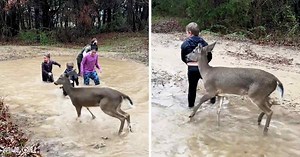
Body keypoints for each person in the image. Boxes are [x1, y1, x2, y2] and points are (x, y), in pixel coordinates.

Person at [181, 22, 216, 108]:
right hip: (203, 69)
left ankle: (191, 107)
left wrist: (188, 64)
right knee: (210, 86)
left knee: (192, 89)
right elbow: (210, 56)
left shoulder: (185, 44)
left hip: (192, 70)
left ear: (189, 32)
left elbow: (183, 57)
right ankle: (212, 103)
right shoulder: (204, 43)